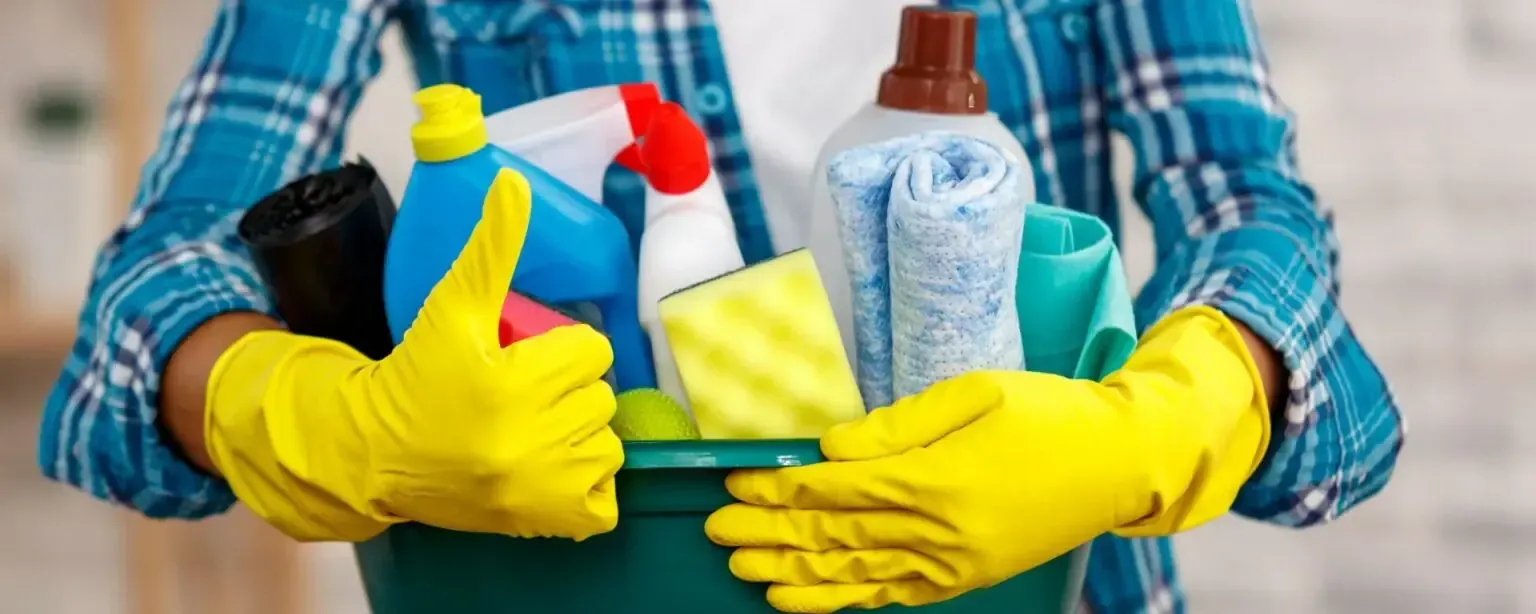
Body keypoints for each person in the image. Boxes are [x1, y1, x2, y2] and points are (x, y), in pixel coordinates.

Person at [36, 0, 1403, 612]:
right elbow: (162, 272)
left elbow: (1248, 204)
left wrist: (1169, 420)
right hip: (598, 587)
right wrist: (298, 412)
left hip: (1022, 589)